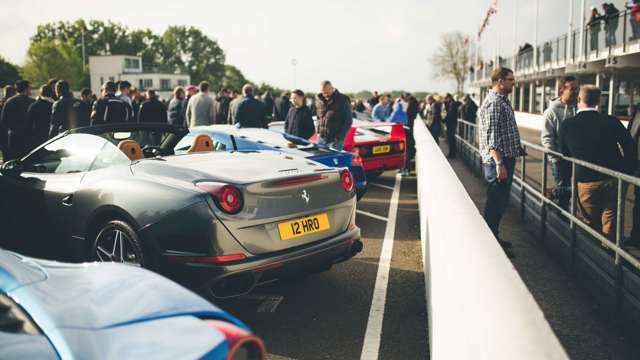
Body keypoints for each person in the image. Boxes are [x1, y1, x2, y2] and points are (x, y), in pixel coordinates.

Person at [559, 85, 635, 240]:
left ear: (579, 99)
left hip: (586, 180)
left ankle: (593, 256)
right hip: (613, 177)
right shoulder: (611, 121)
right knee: (611, 219)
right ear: (599, 101)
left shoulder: (567, 125)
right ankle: (610, 253)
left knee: (590, 223)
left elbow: (565, 154)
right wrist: (627, 170)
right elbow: (630, 146)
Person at [478, 67, 522, 251]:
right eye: (511, 80)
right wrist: (499, 163)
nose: (514, 83)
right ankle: (491, 245)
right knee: (496, 203)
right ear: (500, 81)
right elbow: (492, 137)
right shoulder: (495, 103)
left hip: (503, 159)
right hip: (499, 161)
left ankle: (493, 238)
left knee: (499, 202)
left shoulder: (500, 101)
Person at [541, 76, 578, 209]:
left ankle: (553, 192)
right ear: (562, 90)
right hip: (560, 159)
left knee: (579, 188)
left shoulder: (578, 109)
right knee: (565, 192)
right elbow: (546, 138)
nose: (575, 92)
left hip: (577, 158)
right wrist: (555, 157)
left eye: (577, 89)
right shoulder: (551, 111)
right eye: (572, 89)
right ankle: (562, 220)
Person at [0, 80, 34, 160]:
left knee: (14, 161)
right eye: (30, 88)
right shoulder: (32, 102)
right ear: (26, 89)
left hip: (14, 137)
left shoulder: (9, 102)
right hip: (29, 137)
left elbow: (4, 120)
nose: (31, 90)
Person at [315, 80, 352, 150]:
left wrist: (339, 138)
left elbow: (348, 121)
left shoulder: (342, 99)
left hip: (335, 140)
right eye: (323, 92)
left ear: (332, 88)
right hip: (321, 138)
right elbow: (318, 117)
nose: (325, 94)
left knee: (333, 160)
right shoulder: (319, 100)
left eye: (326, 91)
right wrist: (318, 132)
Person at [27, 85, 54, 149]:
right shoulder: (54, 105)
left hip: (36, 136)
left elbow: (29, 122)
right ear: (52, 93)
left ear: (41, 93)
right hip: (50, 136)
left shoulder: (33, 105)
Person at [0, 85, 17, 160]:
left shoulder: (1, 103)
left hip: (2, 131)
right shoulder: (12, 103)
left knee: (5, 153)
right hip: (9, 130)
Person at [443, 93, 461, 158]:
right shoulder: (451, 103)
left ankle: (452, 154)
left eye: (446, 98)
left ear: (448, 98)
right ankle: (452, 153)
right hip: (452, 123)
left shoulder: (452, 104)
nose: (445, 100)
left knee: (451, 140)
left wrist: (444, 120)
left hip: (451, 124)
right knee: (451, 139)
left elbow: (449, 114)